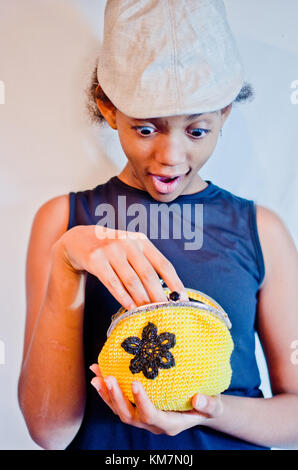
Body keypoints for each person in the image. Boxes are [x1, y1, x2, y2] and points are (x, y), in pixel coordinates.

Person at [18, 0, 298, 450]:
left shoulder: (261, 230)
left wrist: (211, 410)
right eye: (146, 129)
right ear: (109, 110)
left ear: (225, 112)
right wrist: (67, 262)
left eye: (197, 130)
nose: (170, 157)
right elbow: (50, 432)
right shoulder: (62, 223)